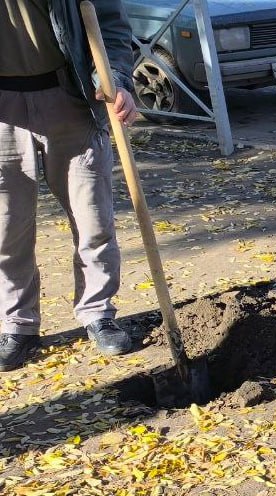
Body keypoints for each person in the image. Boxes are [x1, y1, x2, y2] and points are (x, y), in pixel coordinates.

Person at [0, 0, 138, 372]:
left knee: (94, 218)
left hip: (70, 97)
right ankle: (17, 324)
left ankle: (98, 314)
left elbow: (110, 25)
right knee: (6, 228)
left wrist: (118, 81)